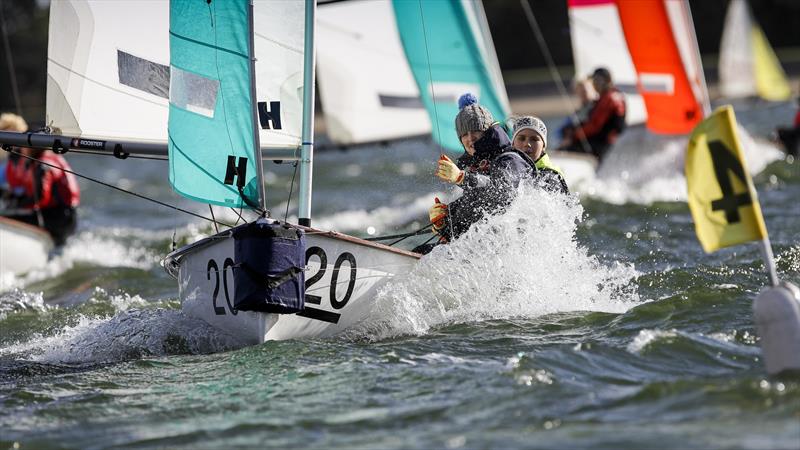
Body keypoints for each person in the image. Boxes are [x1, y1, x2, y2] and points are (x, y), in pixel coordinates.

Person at [414, 94, 537, 253]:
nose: (470, 138)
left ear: (487, 131)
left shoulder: (511, 160)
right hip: (482, 250)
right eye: (464, 134)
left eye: (475, 131)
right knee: (421, 251)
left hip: (509, 251)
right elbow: (471, 219)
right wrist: (443, 222)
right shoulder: (476, 166)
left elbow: (502, 194)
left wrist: (462, 178)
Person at [1, 113, 80, 245]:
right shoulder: (42, 160)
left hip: (58, 218)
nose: (21, 149)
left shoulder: (43, 166)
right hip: (62, 216)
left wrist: (16, 205)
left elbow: (41, 199)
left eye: (23, 145)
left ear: (31, 147)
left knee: (5, 217)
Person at [559, 67, 626, 161]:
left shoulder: (609, 98)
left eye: (597, 80)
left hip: (602, 144)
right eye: (594, 80)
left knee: (564, 150)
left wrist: (575, 135)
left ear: (607, 81)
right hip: (604, 141)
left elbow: (595, 125)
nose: (595, 83)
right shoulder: (612, 96)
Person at [510, 115, 569, 194]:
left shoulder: (550, 177)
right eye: (522, 138)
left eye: (534, 139)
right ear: (513, 144)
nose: (527, 144)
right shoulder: (506, 169)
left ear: (543, 146)